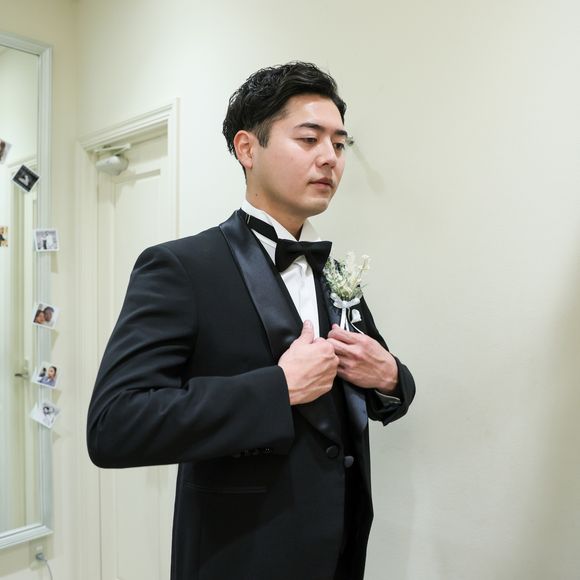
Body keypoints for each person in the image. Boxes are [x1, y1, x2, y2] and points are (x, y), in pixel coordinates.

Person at [87, 61, 415, 580]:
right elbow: (114, 426)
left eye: (339, 144)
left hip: (340, 553)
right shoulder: (180, 267)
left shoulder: (332, 271)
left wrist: (391, 377)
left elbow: (370, 378)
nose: (330, 158)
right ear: (247, 148)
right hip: (240, 556)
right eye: (309, 139)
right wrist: (277, 388)